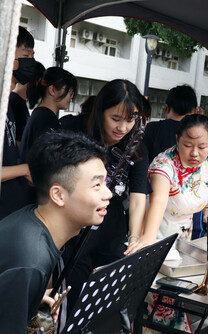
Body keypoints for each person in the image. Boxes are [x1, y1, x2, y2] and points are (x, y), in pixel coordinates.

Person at [0, 130, 112, 334]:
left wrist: (33, 297)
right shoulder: (30, 260)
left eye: (105, 183)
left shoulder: (33, 222)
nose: (108, 193)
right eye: (97, 185)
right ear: (58, 194)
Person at [59, 79, 151, 319]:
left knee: (111, 310)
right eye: (116, 118)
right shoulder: (75, 132)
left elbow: (139, 197)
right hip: (74, 238)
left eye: (131, 120)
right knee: (75, 305)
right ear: (100, 111)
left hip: (111, 234)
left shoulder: (137, 146)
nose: (123, 127)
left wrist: (134, 238)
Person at [127, 114, 208, 253]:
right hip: (157, 233)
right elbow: (159, 201)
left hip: (184, 238)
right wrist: (148, 237)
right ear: (177, 139)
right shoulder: (164, 165)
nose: (195, 153)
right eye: (188, 145)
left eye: (202, 147)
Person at [0, 27, 39, 221]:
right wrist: (24, 169)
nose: (30, 61)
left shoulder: (6, 104)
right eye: (26, 55)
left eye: (32, 55)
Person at [143, 84, 208, 164]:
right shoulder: (206, 132)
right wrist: (204, 124)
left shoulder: (152, 128)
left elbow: (141, 157)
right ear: (195, 110)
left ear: (167, 108)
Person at [19, 66, 77, 163]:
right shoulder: (45, 118)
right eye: (69, 91)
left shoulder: (40, 114)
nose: (71, 97)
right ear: (52, 90)